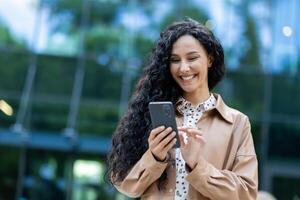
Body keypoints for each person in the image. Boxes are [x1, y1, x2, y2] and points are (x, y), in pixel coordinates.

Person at [107, 18, 258, 200]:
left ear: (210, 59)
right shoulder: (151, 114)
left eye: (192, 58)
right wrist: (155, 156)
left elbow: (247, 194)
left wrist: (196, 165)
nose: (184, 68)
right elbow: (125, 185)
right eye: (175, 60)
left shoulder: (237, 123)